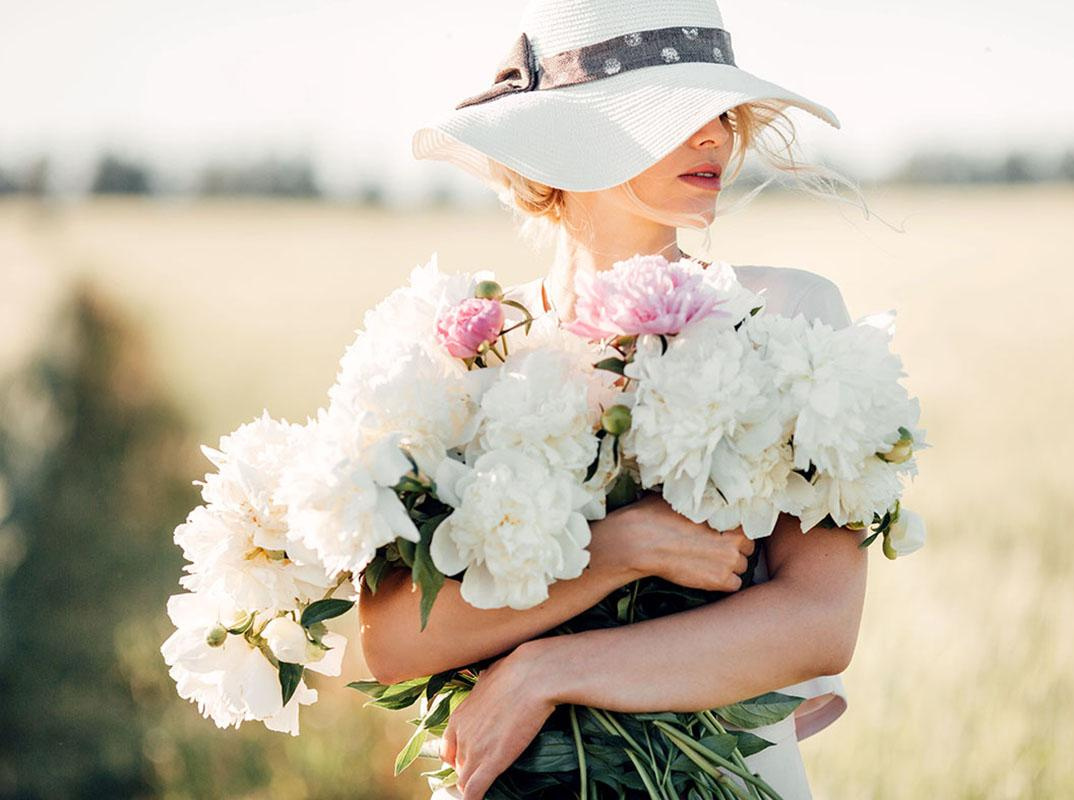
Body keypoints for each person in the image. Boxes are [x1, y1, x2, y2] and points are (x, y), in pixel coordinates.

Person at [359, 1, 870, 797]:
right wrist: (616, 552)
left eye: (722, 114)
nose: (715, 137)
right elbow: (391, 643)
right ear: (571, 137)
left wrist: (543, 671)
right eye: (674, 112)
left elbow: (819, 624)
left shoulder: (785, 315)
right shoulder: (469, 348)